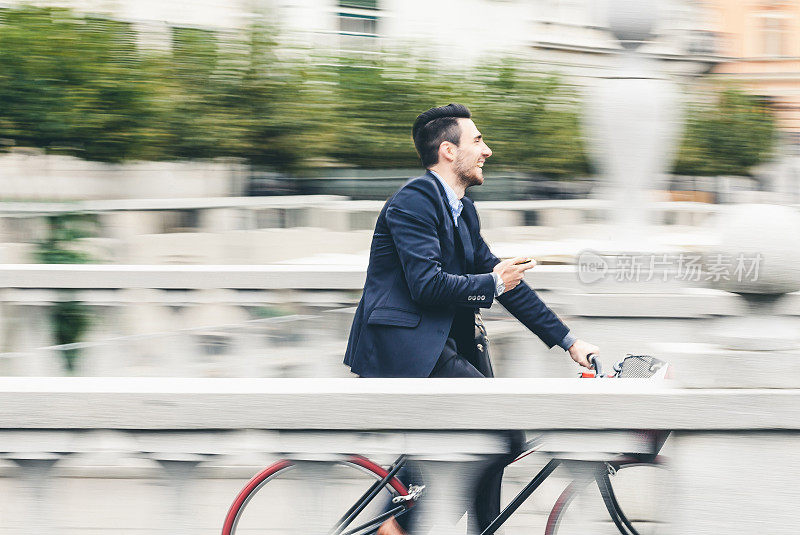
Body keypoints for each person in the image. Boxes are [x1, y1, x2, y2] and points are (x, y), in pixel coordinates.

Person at [343, 103, 599, 534]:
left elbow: (505, 283)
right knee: (497, 429)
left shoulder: (463, 209)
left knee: (493, 442)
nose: (488, 151)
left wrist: (569, 340)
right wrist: (493, 282)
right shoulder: (413, 202)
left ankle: (440, 523)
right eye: (477, 140)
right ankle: (396, 528)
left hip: (441, 346)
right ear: (448, 150)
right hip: (405, 350)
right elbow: (427, 284)